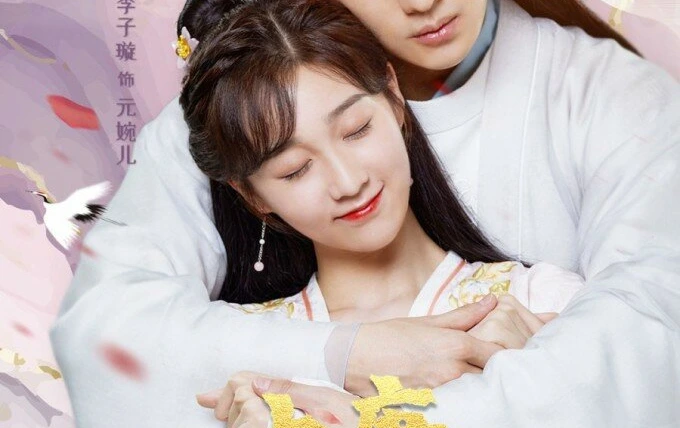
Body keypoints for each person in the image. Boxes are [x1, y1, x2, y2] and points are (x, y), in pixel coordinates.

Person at [48, 0, 680, 425]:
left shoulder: (542, 305)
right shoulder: (245, 374)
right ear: (253, 194)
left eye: (356, 129)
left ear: (393, 102)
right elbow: (106, 341)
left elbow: (643, 354)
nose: (348, 183)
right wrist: (342, 358)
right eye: (293, 170)